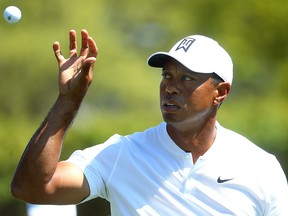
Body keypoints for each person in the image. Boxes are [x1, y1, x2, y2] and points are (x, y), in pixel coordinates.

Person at [11, 29, 288, 215]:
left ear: (221, 92)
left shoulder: (260, 167)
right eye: (167, 76)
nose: (171, 87)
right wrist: (68, 101)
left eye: (187, 78)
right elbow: (31, 188)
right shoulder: (120, 154)